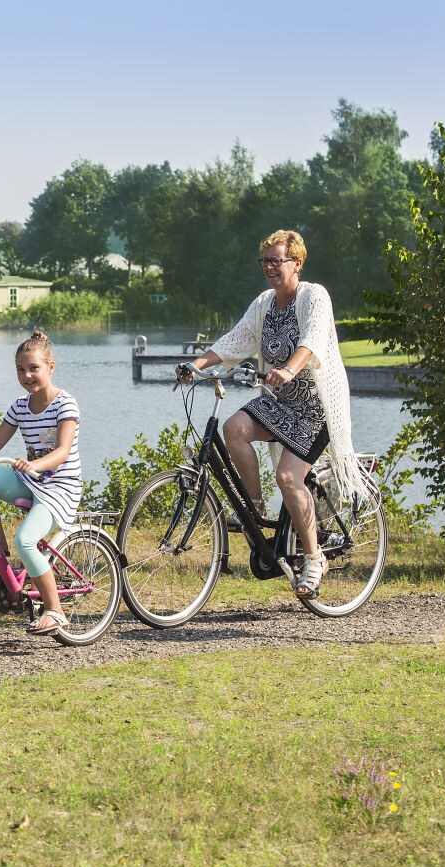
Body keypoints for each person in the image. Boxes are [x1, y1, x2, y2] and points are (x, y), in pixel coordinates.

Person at [177, 229, 372, 601]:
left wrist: (289, 369)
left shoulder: (315, 296)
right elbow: (236, 340)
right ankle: (253, 506)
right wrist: (196, 363)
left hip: (316, 408)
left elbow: (312, 340)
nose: (269, 267)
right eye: (265, 261)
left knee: (287, 476)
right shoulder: (265, 303)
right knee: (234, 429)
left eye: (277, 260)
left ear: (297, 263)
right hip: (280, 402)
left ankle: (315, 559)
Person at [0, 331, 83, 636]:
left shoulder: (65, 404)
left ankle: (55, 611)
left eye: (33, 368)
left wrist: (35, 464)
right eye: (20, 370)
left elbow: (61, 452)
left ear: (51, 367)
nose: (27, 376)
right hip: (30, 480)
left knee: (27, 541)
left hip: (60, 487)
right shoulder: (20, 406)